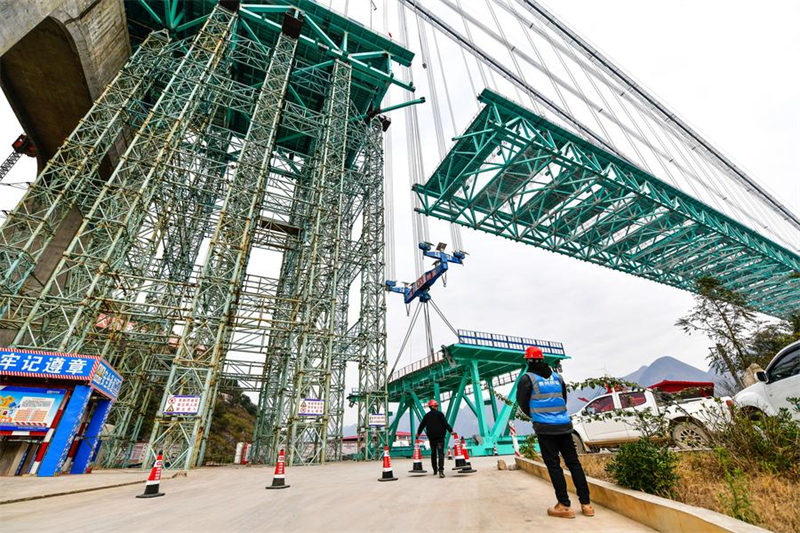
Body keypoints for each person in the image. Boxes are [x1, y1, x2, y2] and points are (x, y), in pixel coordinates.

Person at [516, 346, 594, 519]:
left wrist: (538, 415)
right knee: (574, 464)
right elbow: (563, 400)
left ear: (528, 360)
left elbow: (523, 404)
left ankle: (564, 505)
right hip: (564, 425)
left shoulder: (527, 379)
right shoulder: (558, 378)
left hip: (545, 429)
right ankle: (586, 505)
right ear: (543, 359)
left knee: (554, 466)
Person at [415, 399, 453, 478]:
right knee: (441, 453)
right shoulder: (440, 414)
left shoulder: (426, 416)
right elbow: (445, 424)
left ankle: (435, 470)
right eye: (436, 406)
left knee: (433, 454)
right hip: (440, 438)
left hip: (432, 438)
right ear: (433, 406)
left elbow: (421, 425)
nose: (437, 407)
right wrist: (451, 431)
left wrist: (418, 434)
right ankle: (441, 471)